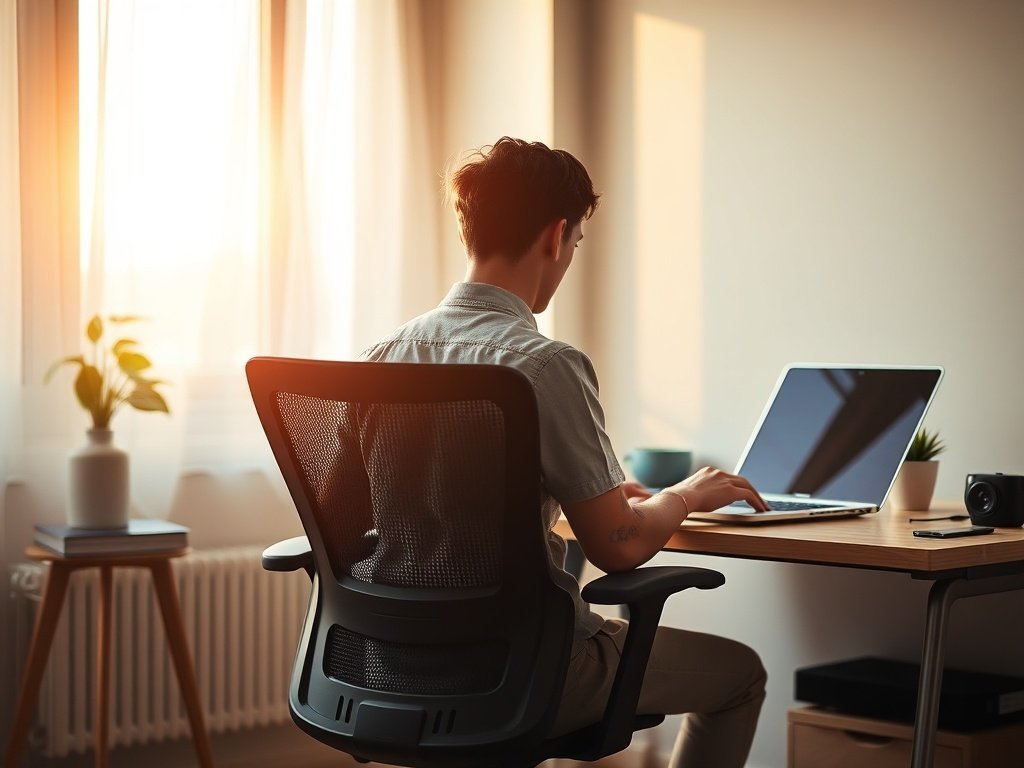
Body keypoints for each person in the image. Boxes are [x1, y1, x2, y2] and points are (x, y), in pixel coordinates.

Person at [362, 136, 768, 768]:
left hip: (389, 666)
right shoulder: (544, 365)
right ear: (557, 235)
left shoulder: (387, 355)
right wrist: (684, 496)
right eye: (577, 242)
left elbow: (382, 509)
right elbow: (619, 548)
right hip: (520, 672)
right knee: (740, 674)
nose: (570, 254)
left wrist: (598, 494)